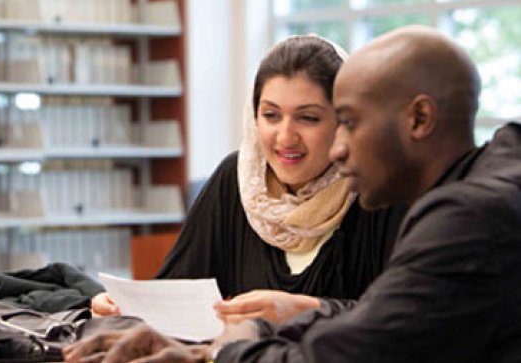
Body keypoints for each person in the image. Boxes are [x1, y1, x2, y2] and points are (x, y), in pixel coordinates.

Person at [62, 25, 521, 363]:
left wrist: (227, 349)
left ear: (419, 119)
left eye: (348, 123)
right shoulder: (489, 182)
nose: (340, 149)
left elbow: (349, 353)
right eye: (271, 115)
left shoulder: (466, 218)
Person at [92, 35, 406, 324]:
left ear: (343, 121)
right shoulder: (238, 180)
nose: (285, 137)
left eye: (308, 118)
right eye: (271, 115)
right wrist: (126, 307)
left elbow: (409, 321)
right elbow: (177, 294)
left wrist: (307, 310)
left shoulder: (378, 189)